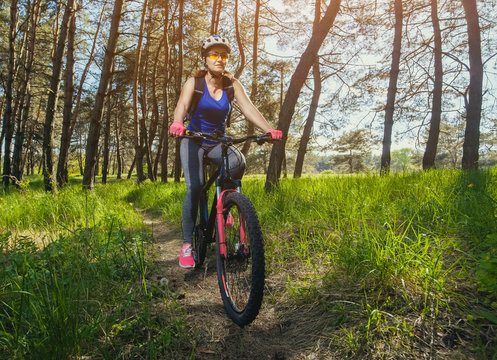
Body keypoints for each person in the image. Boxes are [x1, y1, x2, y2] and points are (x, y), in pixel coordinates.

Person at [169, 34, 282, 269]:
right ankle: (187, 244)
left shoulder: (231, 84)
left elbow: (249, 108)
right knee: (196, 186)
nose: (219, 59)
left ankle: (224, 204)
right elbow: (181, 105)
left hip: (218, 141)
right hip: (194, 140)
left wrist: (268, 129)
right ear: (205, 59)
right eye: (214, 55)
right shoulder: (195, 83)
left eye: (223, 55)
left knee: (237, 163)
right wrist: (178, 123)